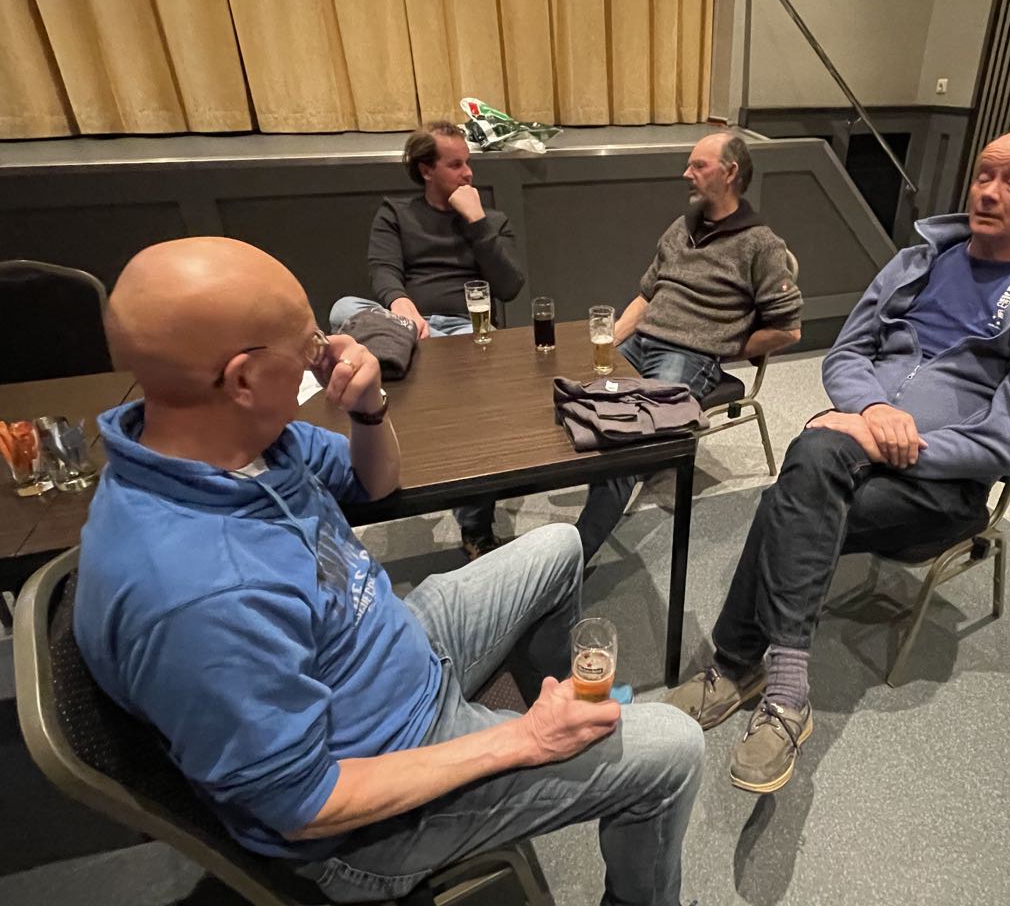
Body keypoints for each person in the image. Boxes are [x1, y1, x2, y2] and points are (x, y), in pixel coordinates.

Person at [75, 237, 704, 906]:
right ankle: (550, 751)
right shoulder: (198, 594)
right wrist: (523, 740)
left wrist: (370, 407)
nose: (325, 357)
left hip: (388, 653)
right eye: (309, 347)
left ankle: (565, 712)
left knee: (558, 546)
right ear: (243, 380)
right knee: (674, 748)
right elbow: (304, 804)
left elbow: (372, 483)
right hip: (367, 815)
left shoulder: (236, 439)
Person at [667, 130, 1010, 794]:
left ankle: (737, 665)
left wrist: (892, 443)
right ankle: (786, 692)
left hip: (943, 490)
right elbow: (846, 354)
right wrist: (870, 411)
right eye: (983, 174)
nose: (989, 192)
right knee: (814, 465)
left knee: (792, 491)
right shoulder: (915, 263)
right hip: (849, 452)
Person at [575, 132, 803, 562]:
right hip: (642, 342)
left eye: (698, 165)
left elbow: (789, 330)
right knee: (579, 400)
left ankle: (572, 556)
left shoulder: (760, 244)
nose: (686, 173)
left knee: (627, 444)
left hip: (687, 357)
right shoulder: (681, 228)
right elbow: (647, 295)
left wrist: (720, 345)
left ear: (730, 173)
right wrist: (610, 341)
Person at [331, 120, 523, 559]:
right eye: (455, 165)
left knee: (474, 407)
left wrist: (477, 222)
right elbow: (383, 269)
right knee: (344, 308)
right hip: (406, 325)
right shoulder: (396, 213)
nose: (468, 173)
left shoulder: (490, 220)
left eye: (468, 163)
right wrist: (401, 305)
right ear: (425, 169)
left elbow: (510, 286)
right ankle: (406, 355)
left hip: (462, 328)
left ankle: (475, 528)